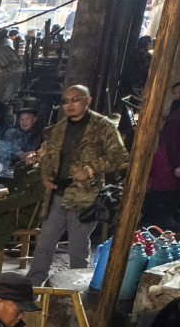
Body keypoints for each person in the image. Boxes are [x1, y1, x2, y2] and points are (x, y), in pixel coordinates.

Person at [28, 84, 128, 287]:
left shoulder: (103, 127)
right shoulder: (57, 130)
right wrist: (45, 174)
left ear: (87, 101)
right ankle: (32, 286)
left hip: (84, 196)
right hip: (57, 195)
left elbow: (120, 156)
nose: (70, 105)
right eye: (65, 101)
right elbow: (48, 155)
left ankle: (76, 289)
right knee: (44, 244)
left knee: (78, 248)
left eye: (75, 99)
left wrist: (91, 169)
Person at [145, 82, 180, 226]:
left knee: (174, 191)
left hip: (178, 159)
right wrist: (176, 165)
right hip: (167, 160)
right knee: (162, 192)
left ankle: (164, 218)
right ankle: (155, 221)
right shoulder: (175, 119)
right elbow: (171, 144)